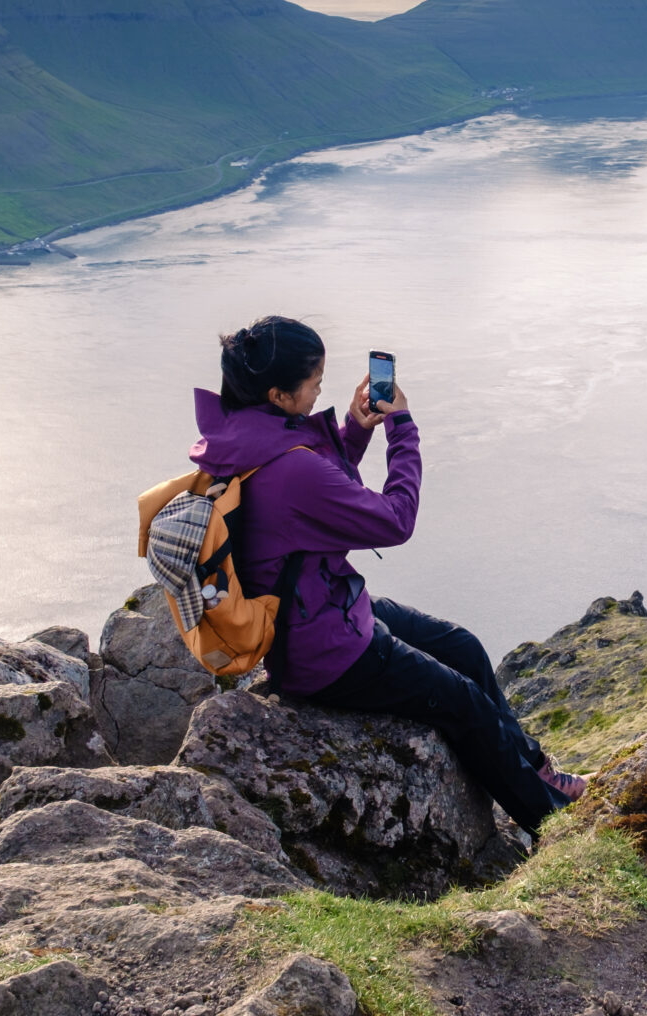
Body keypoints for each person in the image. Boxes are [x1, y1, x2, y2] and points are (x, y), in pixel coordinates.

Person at [189, 315, 584, 833]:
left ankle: (536, 768)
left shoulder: (243, 437)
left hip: (316, 611)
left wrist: (352, 431)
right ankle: (551, 822)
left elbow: (310, 504)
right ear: (279, 395)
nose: (320, 391)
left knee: (462, 646)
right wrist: (402, 428)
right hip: (325, 651)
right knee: (463, 704)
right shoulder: (290, 466)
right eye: (314, 384)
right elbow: (394, 520)